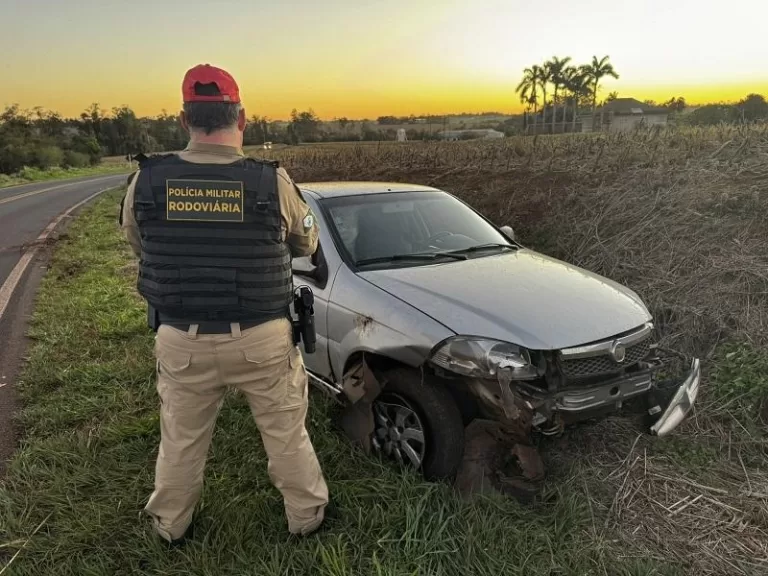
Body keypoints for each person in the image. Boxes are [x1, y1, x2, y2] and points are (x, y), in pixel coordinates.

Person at [120, 63, 330, 546]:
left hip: (181, 339)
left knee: (181, 440)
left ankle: (170, 526)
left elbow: (140, 243)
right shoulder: (269, 181)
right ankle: (307, 520)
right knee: (285, 435)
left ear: (183, 119)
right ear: (242, 118)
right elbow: (304, 243)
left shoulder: (147, 181)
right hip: (262, 338)